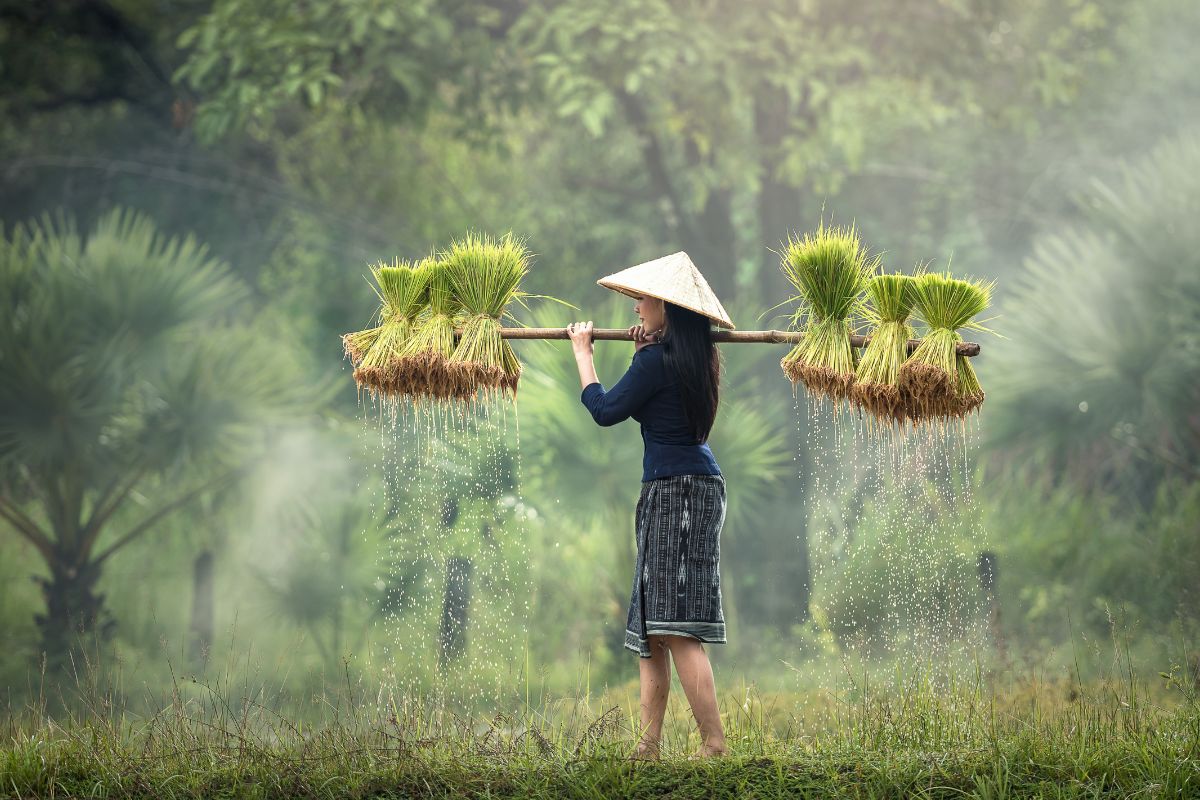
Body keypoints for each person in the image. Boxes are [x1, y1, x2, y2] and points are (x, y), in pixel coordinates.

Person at [565, 252, 735, 761]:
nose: (636, 306)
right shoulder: (693, 359)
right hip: (690, 486)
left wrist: (583, 352)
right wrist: (643, 353)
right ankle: (648, 746)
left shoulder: (656, 361)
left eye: (643, 299)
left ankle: (714, 744)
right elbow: (653, 393)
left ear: (667, 306)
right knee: (652, 625)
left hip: (677, 492)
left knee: (674, 626)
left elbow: (605, 409)